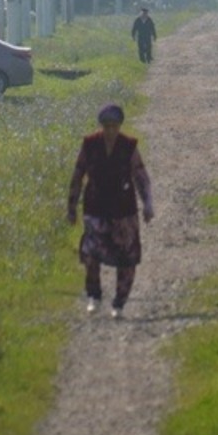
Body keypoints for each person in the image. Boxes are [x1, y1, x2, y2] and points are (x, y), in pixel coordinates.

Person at [67, 103, 154, 319]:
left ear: (120, 126)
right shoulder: (90, 145)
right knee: (91, 255)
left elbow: (141, 176)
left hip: (123, 210)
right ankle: (94, 295)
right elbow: (78, 175)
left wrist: (147, 204)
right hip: (96, 206)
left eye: (114, 126)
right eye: (106, 126)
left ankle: (119, 302)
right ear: (101, 126)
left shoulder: (129, 146)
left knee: (126, 258)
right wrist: (71, 206)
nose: (110, 131)